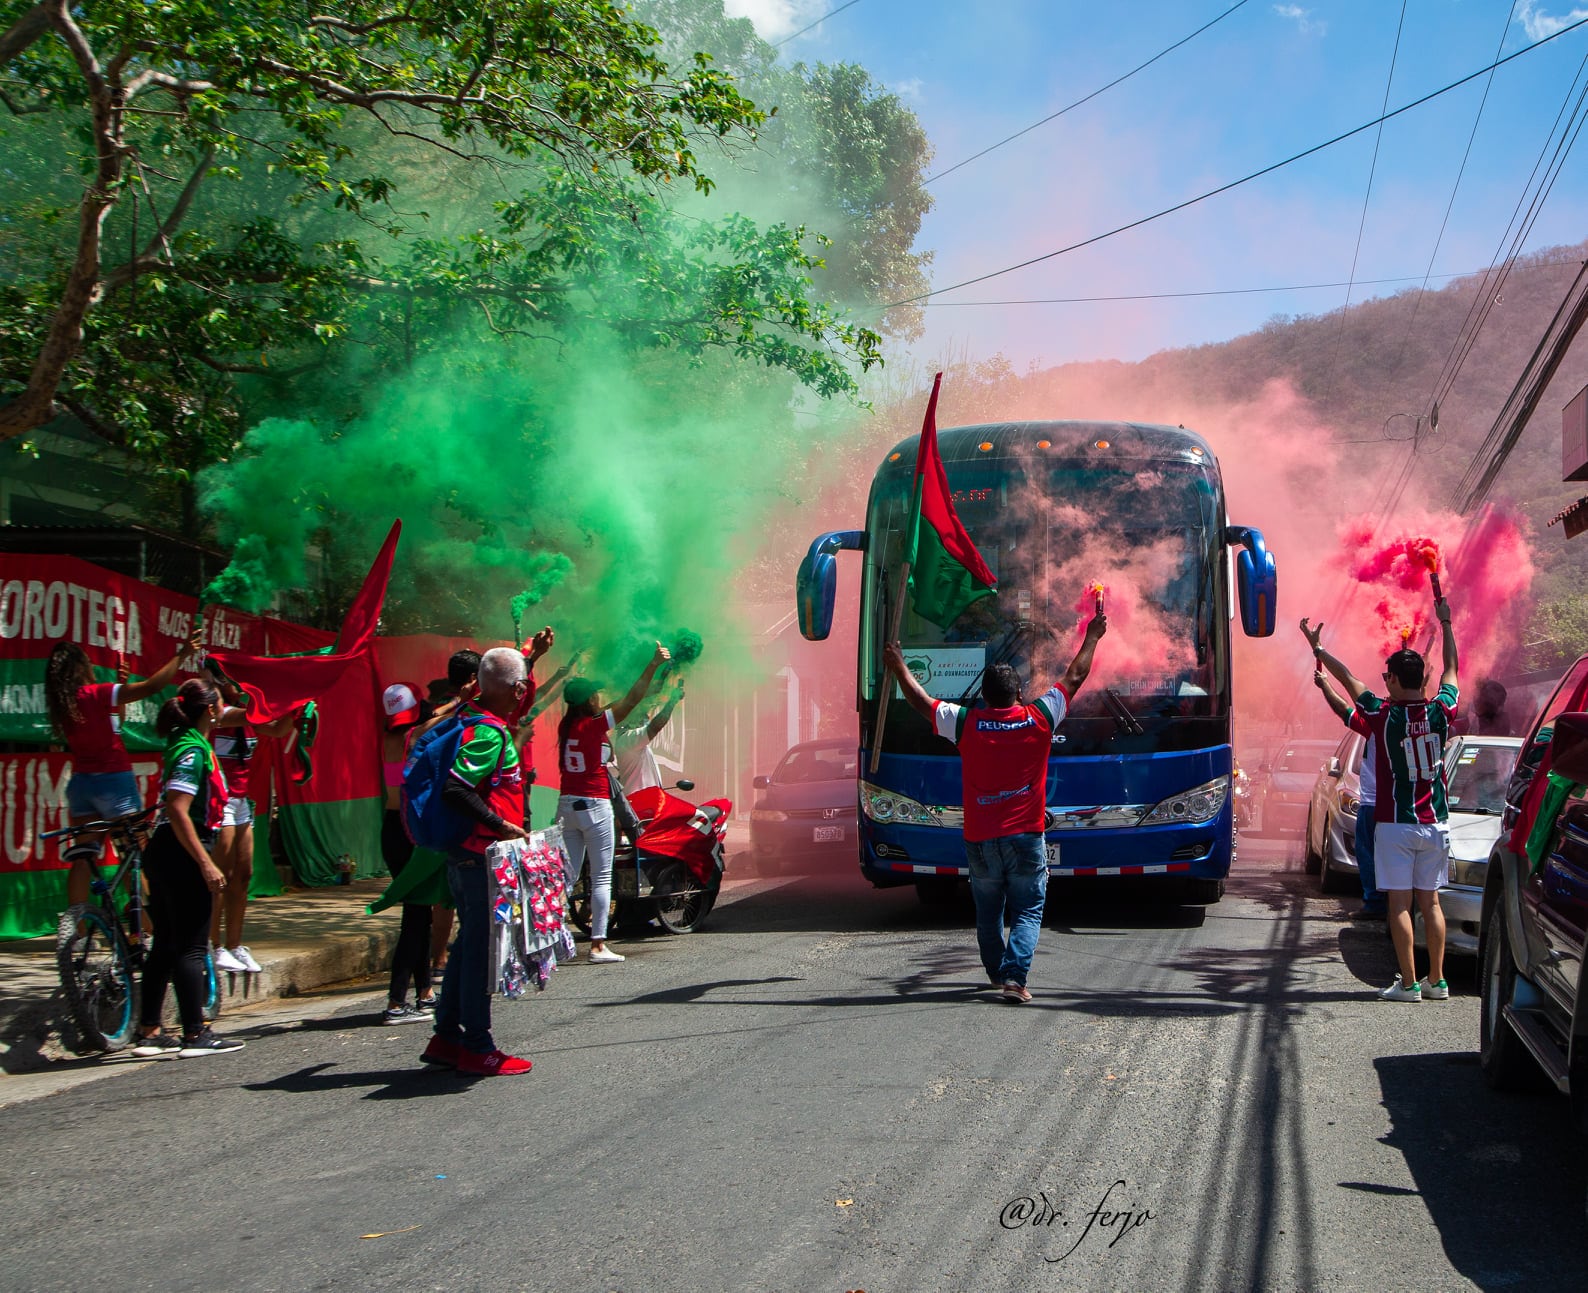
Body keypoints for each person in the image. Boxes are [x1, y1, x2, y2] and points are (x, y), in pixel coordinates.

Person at [882, 610, 1107, 1003]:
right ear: (1019, 694)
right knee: (1028, 909)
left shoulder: (966, 723)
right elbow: (1074, 677)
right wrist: (1092, 636)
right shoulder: (1040, 719)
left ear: (985, 697)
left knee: (989, 912)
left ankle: (996, 972)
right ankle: (1015, 978)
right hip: (1025, 838)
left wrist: (898, 665)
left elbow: (922, 702)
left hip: (981, 839)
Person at [1303, 605, 1459, 1003]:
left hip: (1395, 825)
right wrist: (1446, 623)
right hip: (1435, 823)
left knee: (1400, 905)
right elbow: (1452, 672)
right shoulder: (1441, 711)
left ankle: (1408, 984)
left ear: (1390, 679)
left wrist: (1319, 649)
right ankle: (1437, 981)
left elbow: (1349, 679)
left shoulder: (1382, 714)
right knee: (1432, 902)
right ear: (1423, 678)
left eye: (1385, 676)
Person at [421, 642, 548, 1077]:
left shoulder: (473, 715)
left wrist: (530, 656)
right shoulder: (489, 734)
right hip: (480, 859)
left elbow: (507, 682)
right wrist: (500, 825)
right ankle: (477, 1044)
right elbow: (456, 788)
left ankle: (446, 1036)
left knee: (467, 948)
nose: (525, 692)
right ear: (514, 690)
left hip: (471, 857)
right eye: (523, 687)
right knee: (481, 954)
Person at [45, 626, 203, 907]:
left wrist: (122, 686)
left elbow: (114, 726)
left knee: (83, 857)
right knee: (137, 853)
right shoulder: (97, 693)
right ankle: (146, 928)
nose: (92, 666)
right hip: (114, 783)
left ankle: (77, 934)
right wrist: (183, 654)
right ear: (80, 667)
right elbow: (152, 686)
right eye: (88, 662)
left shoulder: (65, 704)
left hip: (82, 785)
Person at [129, 679, 245, 1057]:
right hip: (181, 852)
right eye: (221, 704)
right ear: (211, 710)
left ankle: (149, 1030)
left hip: (165, 853)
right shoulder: (192, 751)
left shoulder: (184, 740)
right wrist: (206, 863)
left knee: (164, 943)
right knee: (192, 946)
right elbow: (178, 810)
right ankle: (195, 1033)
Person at [555, 643, 671, 963]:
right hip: (594, 805)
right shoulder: (595, 725)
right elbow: (632, 699)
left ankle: (550, 938)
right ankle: (597, 945)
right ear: (588, 701)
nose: (598, 698)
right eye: (594, 695)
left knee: (567, 875)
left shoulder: (565, 727)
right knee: (602, 877)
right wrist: (651, 666)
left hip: (566, 805)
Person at [203, 659, 294, 973]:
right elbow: (260, 715)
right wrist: (290, 696)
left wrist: (299, 708)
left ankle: (234, 944)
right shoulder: (215, 713)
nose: (237, 686)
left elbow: (279, 729)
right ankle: (212, 945)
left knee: (242, 874)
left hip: (242, 802)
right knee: (221, 876)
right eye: (231, 680)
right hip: (219, 800)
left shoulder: (244, 712)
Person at [378, 681, 440, 1024]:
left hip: (392, 829)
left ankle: (424, 992)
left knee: (421, 914)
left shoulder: (390, 738)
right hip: (407, 830)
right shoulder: (412, 737)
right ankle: (395, 1002)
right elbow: (436, 722)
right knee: (415, 919)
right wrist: (463, 701)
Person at [1310, 665, 1387, 920]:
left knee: (1370, 853)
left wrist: (1325, 682)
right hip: (1407, 806)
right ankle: (1395, 904)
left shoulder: (1380, 718)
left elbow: (1346, 705)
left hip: (1377, 804)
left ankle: (1377, 903)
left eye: (1389, 677)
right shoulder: (1426, 716)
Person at [612, 677, 685, 794]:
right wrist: (672, 701)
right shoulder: (628, 739)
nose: (646, 717)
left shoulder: (629, 741)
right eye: (641, 715)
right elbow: (654, 727)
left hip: (645, 803)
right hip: (640, 804)